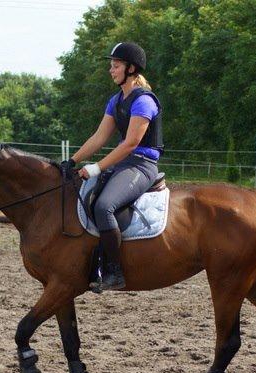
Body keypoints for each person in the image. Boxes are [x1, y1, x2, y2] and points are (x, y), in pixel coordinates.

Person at [61, 42, 164, 292]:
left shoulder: (144, 101)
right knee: (88, 197)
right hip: (124, 164)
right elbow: (99, 137)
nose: (111, 70)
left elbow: (130, 144)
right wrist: (72, 161)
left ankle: (115, 272)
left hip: (142, 165)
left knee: (105, 206)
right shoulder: (116, 101)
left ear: (130, 68)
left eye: (115, 66)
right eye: (111, 65)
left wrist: (95, 168)